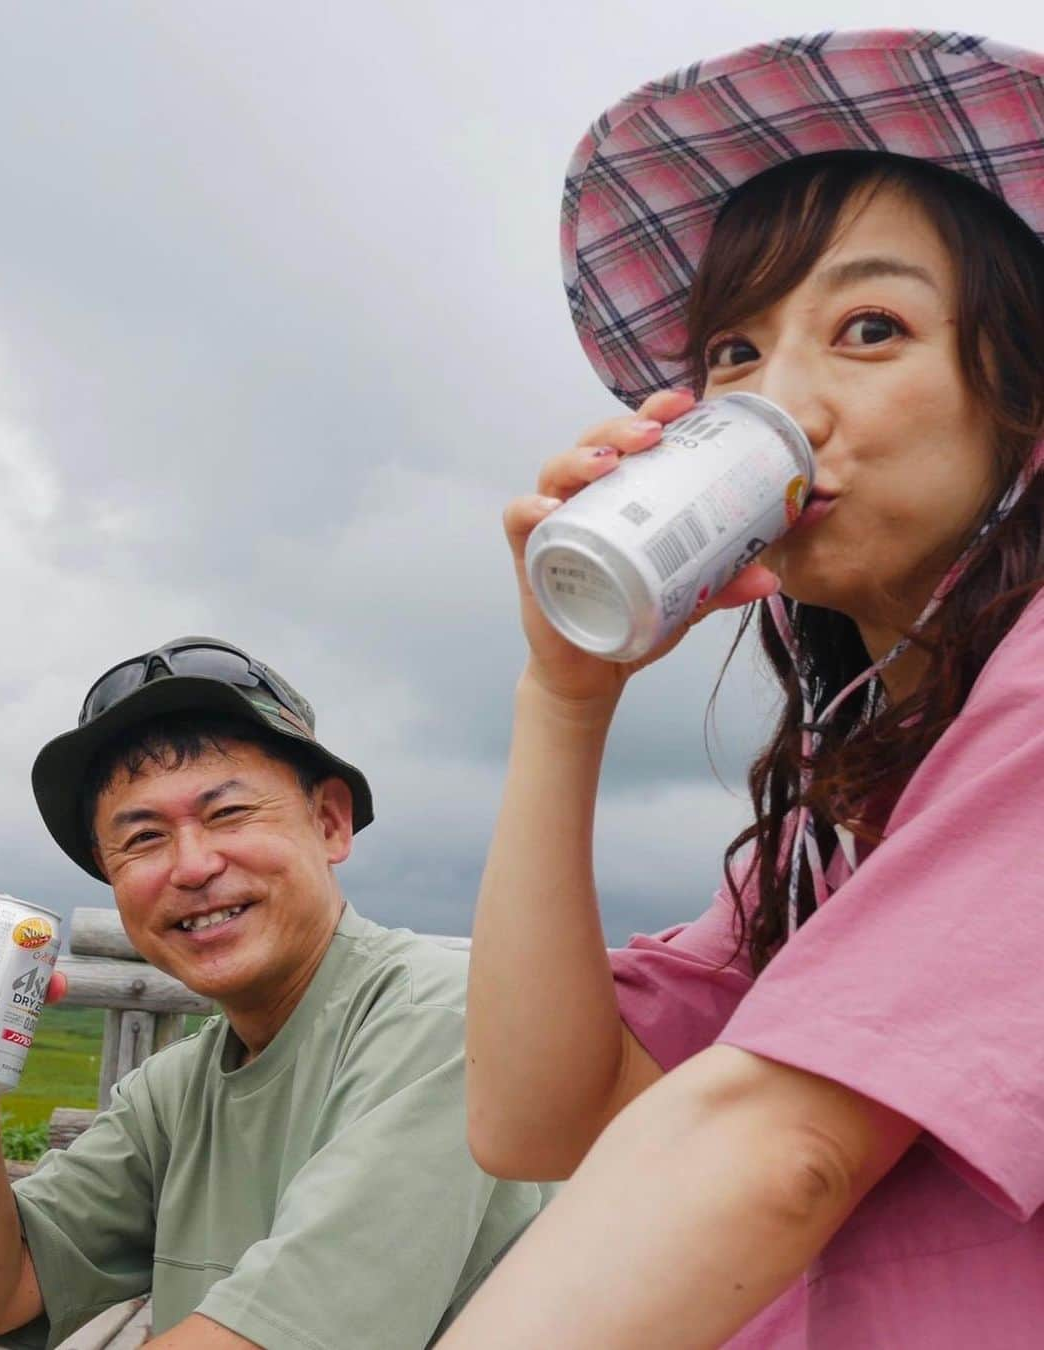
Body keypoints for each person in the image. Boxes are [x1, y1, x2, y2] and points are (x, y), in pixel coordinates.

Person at [443, 30, 1044, 1349]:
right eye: (733, 350)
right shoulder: (863, 777)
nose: (782, 401)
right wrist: (566, 695)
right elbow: (536, 1117)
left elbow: (781, 1154)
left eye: (871, 328)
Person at [0, 637, 553, 1350]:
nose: (192, 865)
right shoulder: (174, 1093)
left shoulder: (445, 1021)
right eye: (143, 837)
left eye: (228, 814)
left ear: (330, 821)